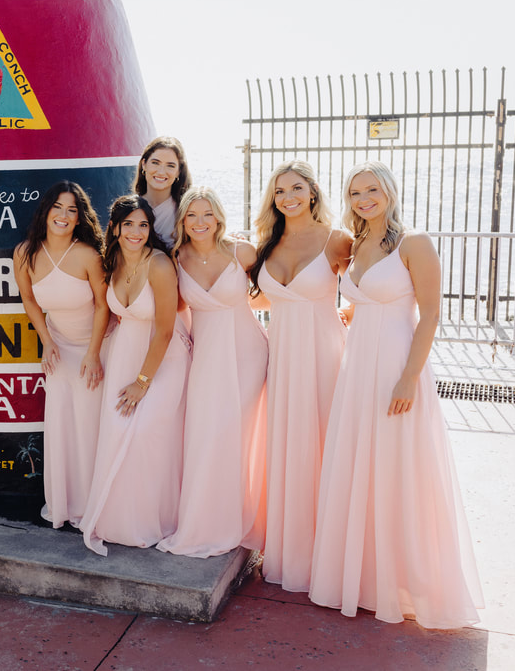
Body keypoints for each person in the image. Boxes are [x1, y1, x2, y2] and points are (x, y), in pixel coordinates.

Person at [309, 160, 483, 628]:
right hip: (356, 367)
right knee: (359, 465)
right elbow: (358, 302)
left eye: (371, 189)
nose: (363, 199)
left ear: (388, 190)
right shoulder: (354, 243)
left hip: (396, 368)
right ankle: (364, 578)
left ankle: (406, 581)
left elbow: (429, 316)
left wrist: (409, 377)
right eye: (354, 193)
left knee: (398, 467)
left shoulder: (415, 243)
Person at [248, 160, 351, 591]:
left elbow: (373, 284)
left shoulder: (337, 240)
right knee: (288, 447)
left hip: (325, 357)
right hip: (283, 358)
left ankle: (331, 552)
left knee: (327, 446)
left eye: (295, 189)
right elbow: (259, 302)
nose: (287, 197)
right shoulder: (265, 245)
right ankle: (290, 548)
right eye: (278, 191)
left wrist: (352, 313)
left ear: (312, 192)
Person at [156, 187, 268, 558]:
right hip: (204, 357)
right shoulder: (177, 257)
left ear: (219, 217)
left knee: (236, 434)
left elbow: (273, 291)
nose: (200, 222)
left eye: (207, 215)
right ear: (183, 221)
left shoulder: (242, 251)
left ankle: (236, 517)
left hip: (248, 353)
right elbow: (175, 307)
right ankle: (204, 520)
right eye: (192, 216)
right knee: (206, 434)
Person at [79, 196, 190, 556]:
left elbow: (164, 331)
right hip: (124, 353)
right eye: (129, 224)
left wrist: (143, 382)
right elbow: (105, 310)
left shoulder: (159, 264)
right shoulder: (110, 263)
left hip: (163, 358)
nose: (136, 232)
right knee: (116, 432)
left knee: (146, 433)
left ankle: (153, 521)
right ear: (115, 227)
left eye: (143, 225)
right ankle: (118, 521)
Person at [13, 182, 109, 529]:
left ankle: (93, 504)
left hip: (94, 346)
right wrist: (47, 341)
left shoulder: (87, 254)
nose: (64, 216)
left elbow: (103, 305)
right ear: (46, 211)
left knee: (89, 425)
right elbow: (29, 300)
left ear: (80, 217)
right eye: (58, 207)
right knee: (61, 424)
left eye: (72, 210)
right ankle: (64, 505)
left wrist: (94, 353)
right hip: (57, 345)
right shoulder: (25, 253)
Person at [133, 137, 192, 249]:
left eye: (170, 166)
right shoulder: (128, 209)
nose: (161, 172)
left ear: (178, 172)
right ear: (144, 164)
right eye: (155, 163)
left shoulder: (187, 210)